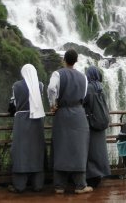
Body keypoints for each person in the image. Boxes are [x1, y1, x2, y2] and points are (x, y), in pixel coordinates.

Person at [47, 49, 92, 194]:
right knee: (79, 149)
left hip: (63, 113)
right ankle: (80, 185)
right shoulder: (83, 77)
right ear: (76, 61)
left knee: (61, 147)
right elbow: (84, 96)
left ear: (64, 60)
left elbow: (51, 88)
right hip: (79, 114)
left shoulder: (58, 74)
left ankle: (59, 186)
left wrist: (53, 105)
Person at [8, 64, 45, 193]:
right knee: (36, 150)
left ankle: (20, 185)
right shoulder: (40, 85)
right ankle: (38, 184)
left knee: (20, 151)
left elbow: (12, 106)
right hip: (37, 121)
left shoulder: (16, 86)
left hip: (21, 121)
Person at [84, 65, 111, 187]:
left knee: (91, 151)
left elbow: (83, 102)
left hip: (92, 124)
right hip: (101, 123)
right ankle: (101, 173)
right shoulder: (100, 87)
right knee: (100, 150)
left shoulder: (89, 88)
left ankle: (92, 177)